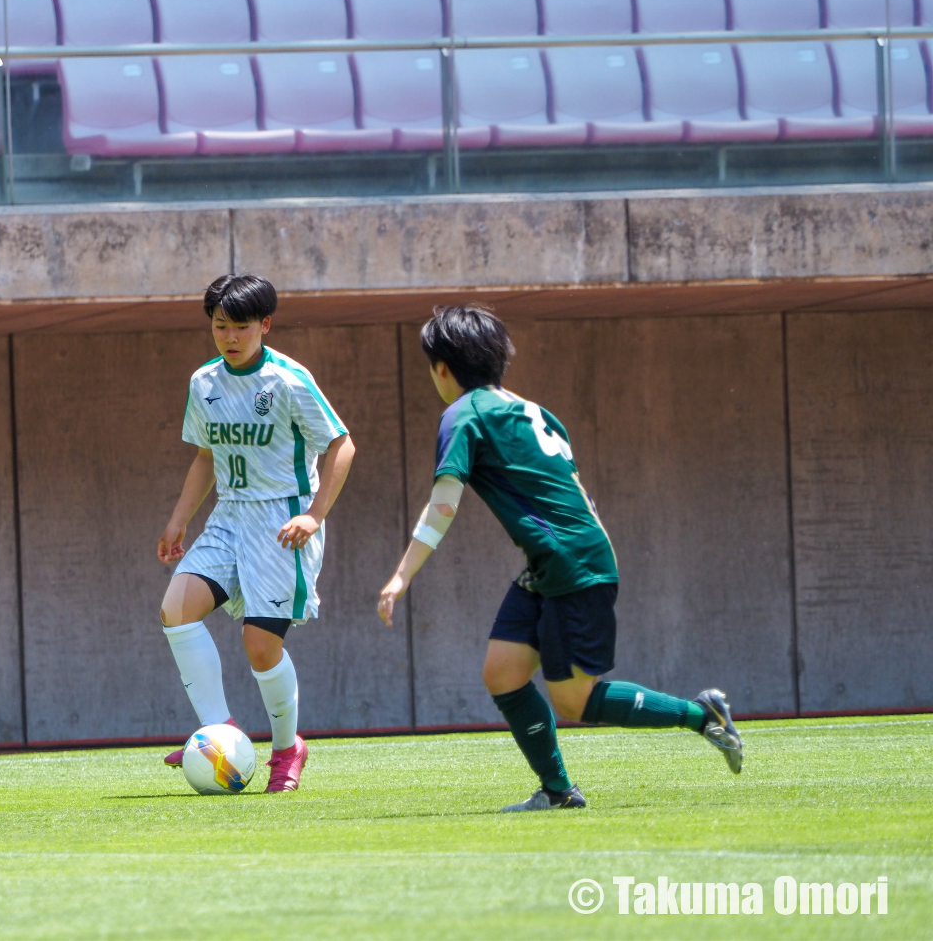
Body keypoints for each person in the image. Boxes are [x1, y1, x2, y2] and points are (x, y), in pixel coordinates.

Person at [377, 305, 742, 813]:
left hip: (568, 562)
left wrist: (400, 576)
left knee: (574, 700)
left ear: (442, 367)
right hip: (561, 559)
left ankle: (700, 715)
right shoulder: (535, 410)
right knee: (503, 673)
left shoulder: (462, 414)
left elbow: (444, 503)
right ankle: (558, 792)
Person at [157, 274, 355, 792]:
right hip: (229, 514)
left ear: (265, 324)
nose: (229, 336)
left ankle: (288, 749)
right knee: (176, 611)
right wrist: (179, 518)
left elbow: (341, 444)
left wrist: (314, 515)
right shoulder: (204, 383)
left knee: (259, 647)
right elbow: (206, 456)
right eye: (220, 326)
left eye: (240, 326)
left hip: (281, 522)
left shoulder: (288, 381)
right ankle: (219, 733)